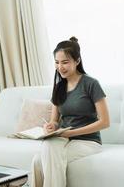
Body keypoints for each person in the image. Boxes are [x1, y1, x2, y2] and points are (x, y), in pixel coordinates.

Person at [31, 36, 110, 187]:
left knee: (40, 161)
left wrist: (71, 133)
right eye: (57, 62)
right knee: (40, 156)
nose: (60, 67)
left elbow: (105, 122)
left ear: (77, 61)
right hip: (63, 139)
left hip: (88, 141)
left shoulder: (91, 84)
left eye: (65, 62)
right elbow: (54, 120)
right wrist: (51, 127)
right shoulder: (59, 86)